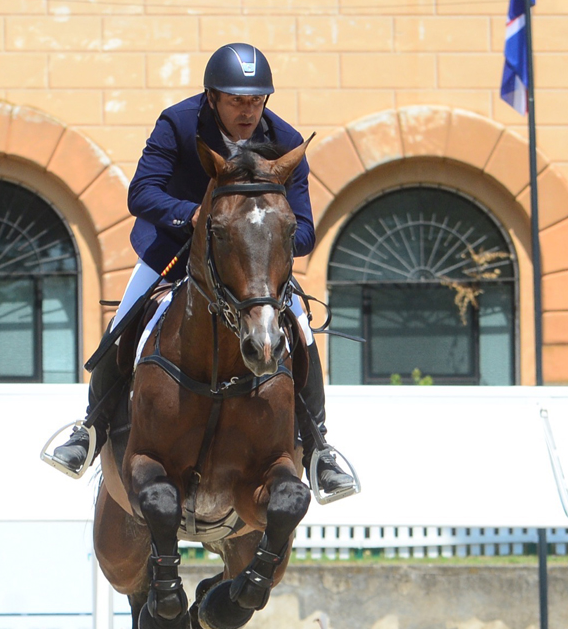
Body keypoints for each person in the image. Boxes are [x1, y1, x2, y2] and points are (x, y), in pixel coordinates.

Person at [42, 43, 358, 499]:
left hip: (251, 267)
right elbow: (142, 193)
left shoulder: (287, 142)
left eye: (255, 100)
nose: (247, 111)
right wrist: (192, 215)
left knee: (302, 332)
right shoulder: (178, 123)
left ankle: (318, 448)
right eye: (236, 101)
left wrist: (268, 235)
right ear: (212, 97)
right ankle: (88, 431)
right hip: (173, 254)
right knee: (124, 322)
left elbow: (304, 229)